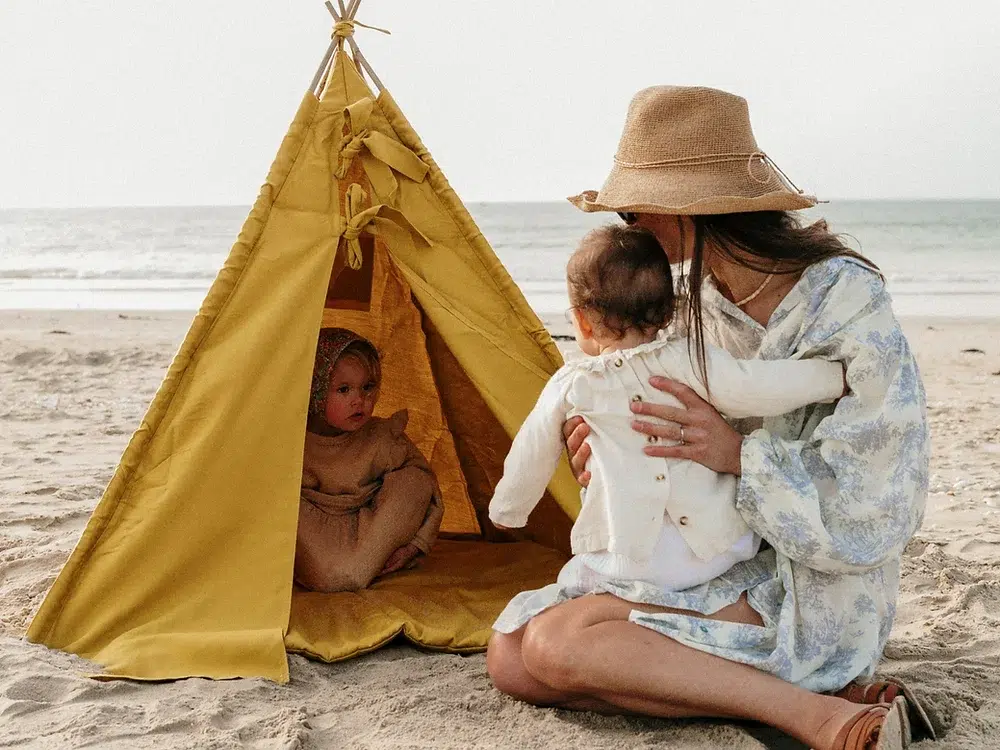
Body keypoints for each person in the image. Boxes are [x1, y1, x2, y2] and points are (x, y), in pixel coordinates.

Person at [486, 86, 930, 750]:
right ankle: (804, 700)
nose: (628, 226)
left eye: (636, 208)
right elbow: (667, 450)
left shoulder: (846, 303)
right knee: (512, 655)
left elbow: (878, 508)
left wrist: (734, 454)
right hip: (708, 560)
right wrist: (609, 455)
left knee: (555, 644)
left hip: (814, 583)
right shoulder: (689, 302)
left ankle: (819, 718)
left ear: (690, 211)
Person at [489, 224, 847, 597]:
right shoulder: (687, 358)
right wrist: (831, 378)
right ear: (666, 313)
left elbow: (530, 453)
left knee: (569, 584)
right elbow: (754, 386)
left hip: (632, 561)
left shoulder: (571, 384)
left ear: (581, 320)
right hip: (718, 548)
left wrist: (508, 511)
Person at [294, 327, 444, 592]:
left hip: (373, 529)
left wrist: (416, 544)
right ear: (315, 391)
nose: (359, 400)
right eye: (343, 390)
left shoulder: (381, 436)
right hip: (319, 533)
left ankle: (370, 562)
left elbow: (428, 489)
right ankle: (349, 571)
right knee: (283, 504)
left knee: (415, 481)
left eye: (368, 387)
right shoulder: (294, 440)